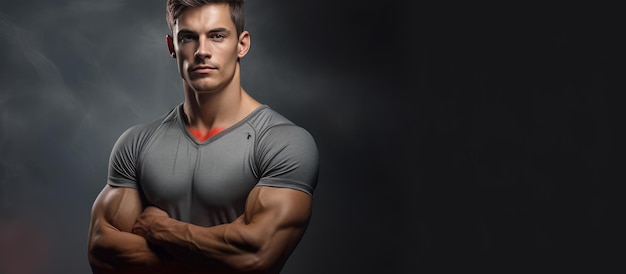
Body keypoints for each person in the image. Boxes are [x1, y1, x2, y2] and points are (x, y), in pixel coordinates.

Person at [86, 1, 319, 273]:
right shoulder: (137, 143)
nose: (202, 51)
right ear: (172, 46)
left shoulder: (282, 143)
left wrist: (160, 229)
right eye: (188, 37)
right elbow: (103, 254)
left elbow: (256, 258)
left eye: (217, 36)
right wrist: (219, 256)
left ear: (242, 44)